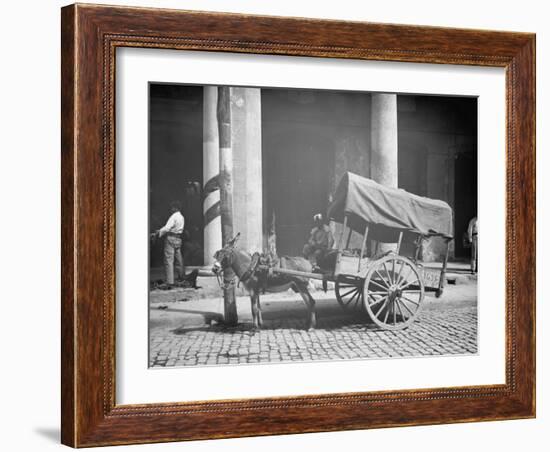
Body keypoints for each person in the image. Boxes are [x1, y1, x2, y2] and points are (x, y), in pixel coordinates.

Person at [155, 201, 185, 285]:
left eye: (172, 208)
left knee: (169, 259)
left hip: (171, 238)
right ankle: (181, 277)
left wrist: (159, 231)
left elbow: (167, 228)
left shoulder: (174, 216)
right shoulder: (181, 217)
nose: (171, 209)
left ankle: (170, 281)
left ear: (175, 208)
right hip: (178, 238)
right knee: (179, 259)